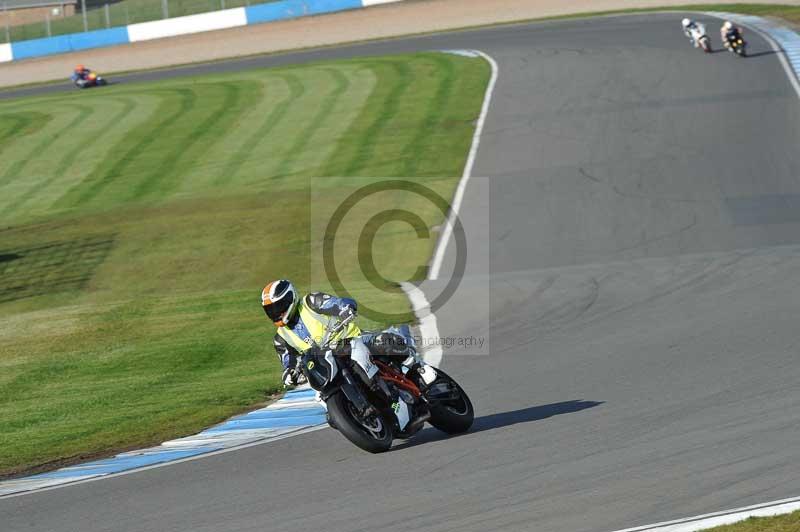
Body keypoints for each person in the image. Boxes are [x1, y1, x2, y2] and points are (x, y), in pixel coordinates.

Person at [262, 280, 417, 387]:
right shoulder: (280, 339)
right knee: (331, 416)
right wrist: (289, 373)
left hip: (352, 340)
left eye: (279, 307)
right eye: (271, 310)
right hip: (326, 363)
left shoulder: (311, 302)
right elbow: (288, 362)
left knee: (384, 341)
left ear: (291, 298)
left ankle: (412, 358)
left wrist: (344, 308)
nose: (276, 313)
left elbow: (335, 303)